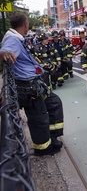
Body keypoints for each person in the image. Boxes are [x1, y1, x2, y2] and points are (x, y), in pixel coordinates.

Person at [0, 12, 64, 156]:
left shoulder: (17, 38)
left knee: (54, 103)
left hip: (33, 83)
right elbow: (5, 52)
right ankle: (43, 148)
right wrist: (5, 55)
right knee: (39, 118)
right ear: (25, 24)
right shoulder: (13, 40)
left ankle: (52, 137)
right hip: (27, 87)